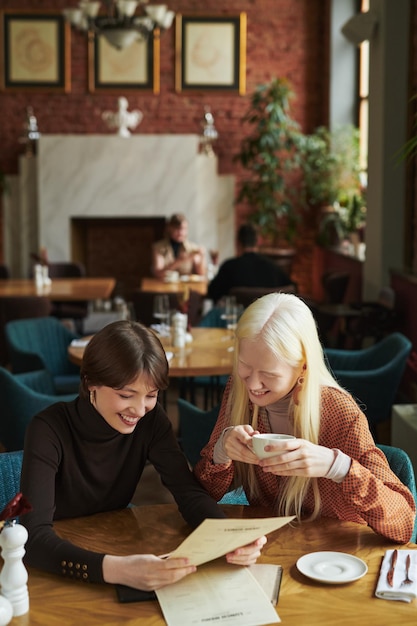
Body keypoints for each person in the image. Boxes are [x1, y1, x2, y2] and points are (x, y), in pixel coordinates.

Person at [20, 320, 266, 591]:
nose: (139, 410)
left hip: (116, 542)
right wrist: (118, 570)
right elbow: (33, 538)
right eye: (126, 395)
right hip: (58, 562)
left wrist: (228, 537)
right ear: (90, 382)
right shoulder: (48, 429)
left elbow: (188, 493)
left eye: (151, 395)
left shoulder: (151, 421)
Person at [194, 293, 416, 543]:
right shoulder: (239, 391)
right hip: (272, 547)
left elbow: (404, 524)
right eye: (244, 365)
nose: (253, 384)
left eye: (268, 373)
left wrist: (336, 466)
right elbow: (201, 495)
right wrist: (221, 451)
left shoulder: (339, 413)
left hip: (337, 554)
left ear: (303, 367)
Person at [207, 224, 294, 304]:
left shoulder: (229, 267)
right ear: (258, 241)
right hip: (267, 318)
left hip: (236, 319)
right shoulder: (273, 267)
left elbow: (212, 292)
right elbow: (291, 289)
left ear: (238, 243)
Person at [151, 213, 206, 279]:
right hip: (164, 286)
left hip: (186, 287)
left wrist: (202, 257)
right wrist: (178, 261)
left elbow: (201, 274)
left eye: (184, 229)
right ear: (169, 228)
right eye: (177, 228)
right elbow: (158, 274)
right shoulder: (158, 247)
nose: (181, 232)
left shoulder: (192, 248)